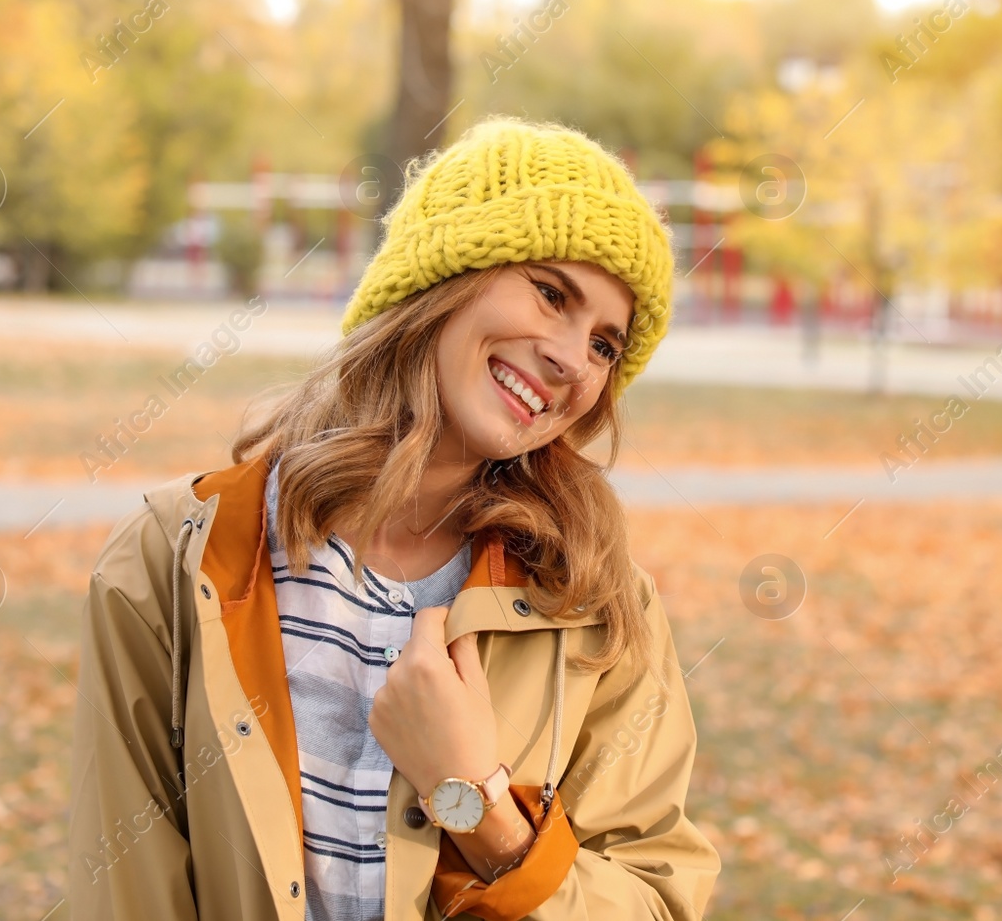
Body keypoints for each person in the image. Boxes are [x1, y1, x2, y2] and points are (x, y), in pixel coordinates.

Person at [67, 119, 720, 920]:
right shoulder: (175, 557)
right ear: (443, 274)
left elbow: (657, 901)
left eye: (605, 346)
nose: (571, 362)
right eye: (551, 293)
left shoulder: (599, 608)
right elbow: (123, 889)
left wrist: (478, 804)